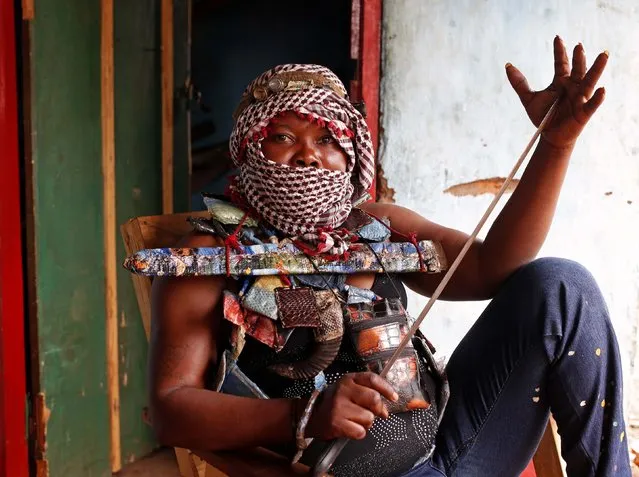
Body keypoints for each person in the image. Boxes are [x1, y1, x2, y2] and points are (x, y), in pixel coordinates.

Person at [147, 36, 631, 476]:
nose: (309, 155)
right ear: (251, 147)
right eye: (283, 137)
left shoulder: (374, 226)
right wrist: (305, 415)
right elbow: (171, 408)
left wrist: (555, 144)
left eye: (328, 139)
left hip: (456, 445)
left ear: (351, 154)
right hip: (343, 470)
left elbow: (493, 268)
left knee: (561, 285)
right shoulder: (211, 255)